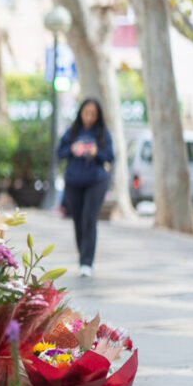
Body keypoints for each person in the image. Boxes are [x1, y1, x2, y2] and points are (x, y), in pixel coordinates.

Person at [57, 98, 113, 277]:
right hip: (74, 180)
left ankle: (87, 262)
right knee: (79, 220)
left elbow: (110, 156)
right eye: (86, 113)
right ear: (80, 113)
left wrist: (97, 153)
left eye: (93, 114)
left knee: (90, 218)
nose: (89, 117)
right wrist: (73, 149)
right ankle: (83, 254)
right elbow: (60, 153)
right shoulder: (72, 132)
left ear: (98, 116)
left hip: (96, 181)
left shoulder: (103, 133)